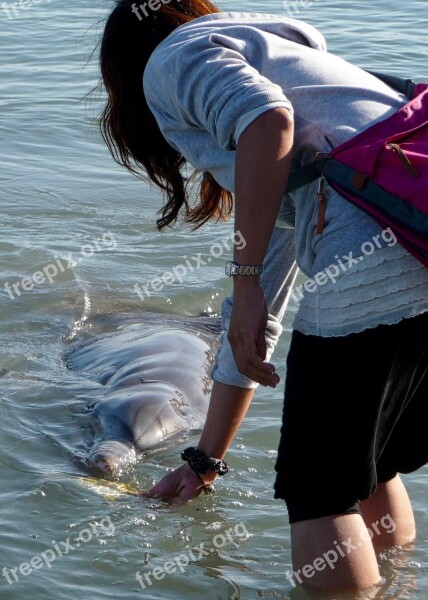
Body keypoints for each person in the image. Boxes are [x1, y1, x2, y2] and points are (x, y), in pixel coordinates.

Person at [98, 1, 428, 591]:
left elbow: (265, 120)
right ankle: (398, 586)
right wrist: (204, 462)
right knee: (371, 471)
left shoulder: (172, 59)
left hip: (372, 263)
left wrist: (243, 278)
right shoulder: (299, 74)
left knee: (321, 495)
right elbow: (256, 322)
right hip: (418, 242)